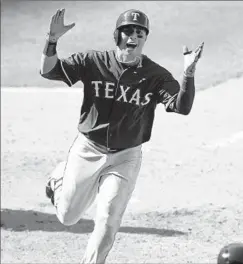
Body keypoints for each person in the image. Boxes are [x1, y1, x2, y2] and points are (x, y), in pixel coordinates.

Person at [40, 8, 204, 264]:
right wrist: (52, 40)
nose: (133, 36)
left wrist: (188, 74)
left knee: (109, 217)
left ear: (144, 39)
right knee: (68, 217)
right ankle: (58, 180)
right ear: (117, 35)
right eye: (128, 30)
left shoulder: (155, 75)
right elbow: (49, 71)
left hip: (125, 158)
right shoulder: (93, 61)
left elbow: (181, 107)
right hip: (88, 149)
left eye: (140, 33)